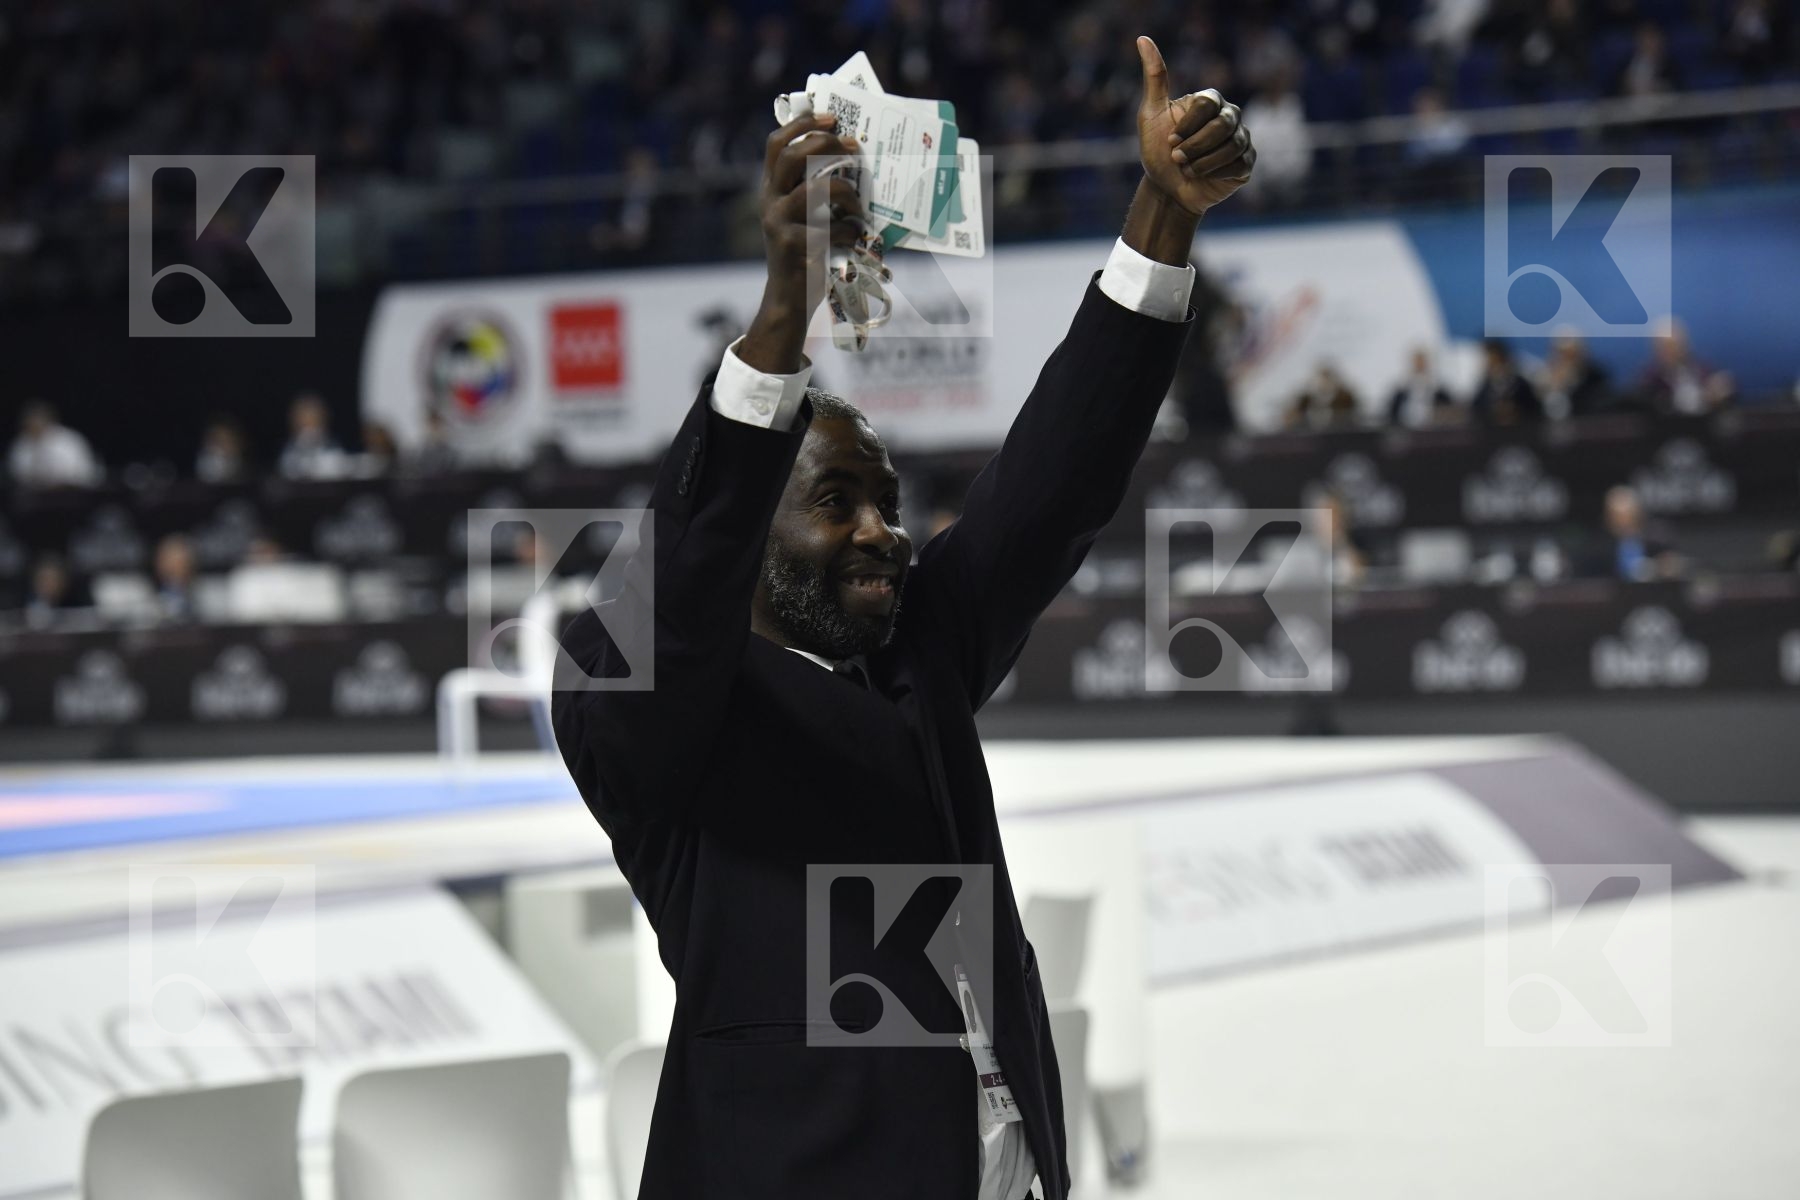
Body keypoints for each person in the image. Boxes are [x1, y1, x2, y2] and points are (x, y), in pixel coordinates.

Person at [552, 37, 1255, 1200]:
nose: (885, 530)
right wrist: (783, 313)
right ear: (746, 541)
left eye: (887, 501)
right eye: (837, 504)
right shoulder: (639, 704)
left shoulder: (912, 658)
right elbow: (677, 586)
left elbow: (1055, 484)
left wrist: (1162, 215)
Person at [1636, 317, 1733, 415]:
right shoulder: (1649, 379)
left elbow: (1720, 386)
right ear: (1656, 349)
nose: (1671, 351)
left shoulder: (1701, 368)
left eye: (1674, 345)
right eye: (1666, 347)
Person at [8, 399, 101, 488]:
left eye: (38, 420)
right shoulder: (21, 444)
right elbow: (17, 472)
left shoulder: (69, 440)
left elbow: (85, 472)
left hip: (71, 494)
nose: (34, 425)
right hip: (33, 496)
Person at [1539, 329, 1613, 418]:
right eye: (1561, 354)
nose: (1565, 360)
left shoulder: (1596, 377)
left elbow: (1600, 407)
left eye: (1570, 355)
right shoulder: (1543, 381)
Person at [1469, 339, 1544, 426]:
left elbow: (1534, 408)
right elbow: (1476, 408)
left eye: (1491, 357)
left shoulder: (1518, 383)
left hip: (1520, 432)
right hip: (1492, 432)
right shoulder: (1486, 385)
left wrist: (1515, 410)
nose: (1487, 361)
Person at [277, 391, 347, 479]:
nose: (309, 430)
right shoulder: (289, 452)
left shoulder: (333, 448)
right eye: (304, 424)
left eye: (313, 421)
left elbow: (338, 469)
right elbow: (287, 470)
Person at [1387, 346, 1454, 428]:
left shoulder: (1438, 389)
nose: (1419, 365)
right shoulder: (1402, 390)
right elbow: (1392, 414)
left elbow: (1449, 410)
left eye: (1422, 362)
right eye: (1417, 362)